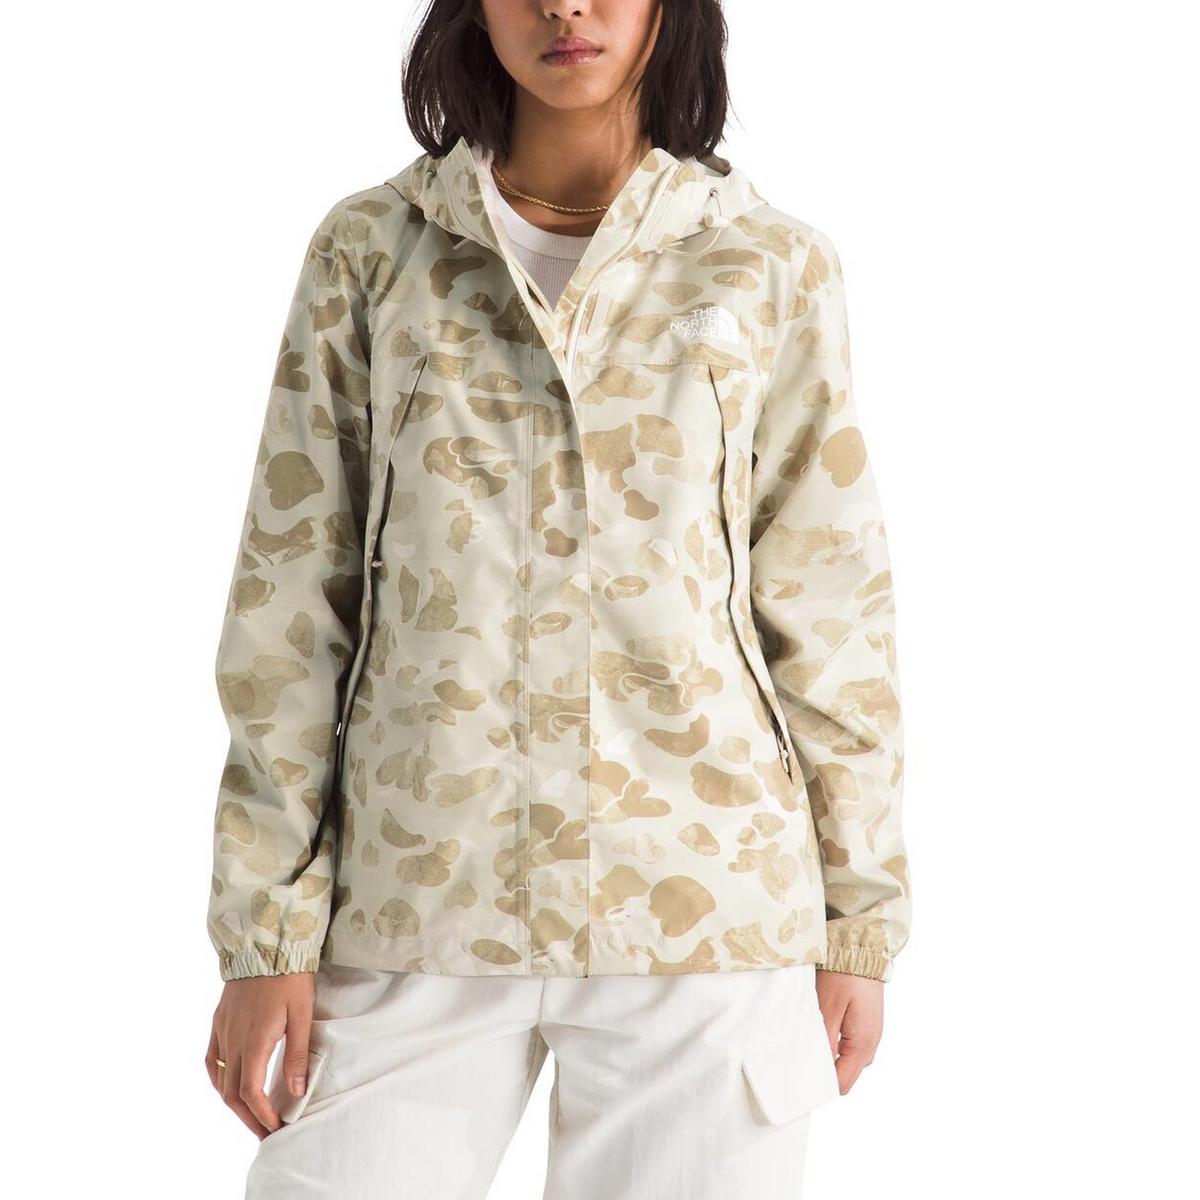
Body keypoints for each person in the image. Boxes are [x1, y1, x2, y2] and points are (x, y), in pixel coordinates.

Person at [203, 1, 912, 1196]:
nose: (565, 6)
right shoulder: (372, 251)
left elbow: (830, 602)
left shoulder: (770, 262)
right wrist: (263, 931)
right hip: (417, 896)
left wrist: (858, 923)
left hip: (703, 910)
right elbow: (290, 595)